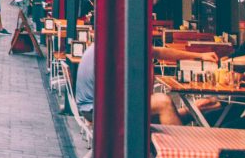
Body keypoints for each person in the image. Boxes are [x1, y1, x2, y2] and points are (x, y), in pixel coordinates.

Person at [75, 42, 221, 124]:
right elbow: (141, 93)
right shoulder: (119, 48)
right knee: (162, 102)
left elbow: (159, 52)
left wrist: (200, 56)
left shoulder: (114, 42)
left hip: (96, 108)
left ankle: (195, 110)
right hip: (98, 111)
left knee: (162, 108)